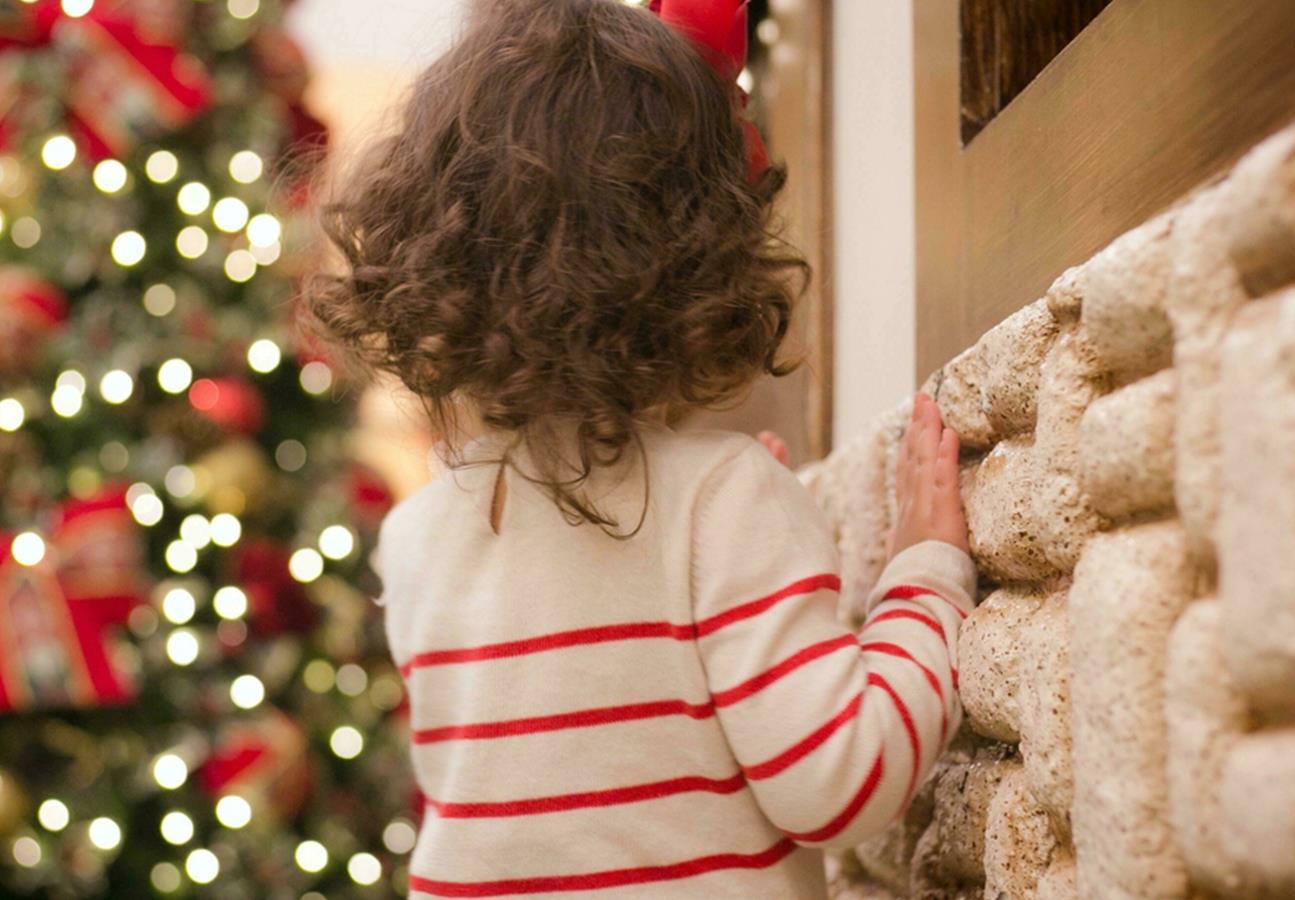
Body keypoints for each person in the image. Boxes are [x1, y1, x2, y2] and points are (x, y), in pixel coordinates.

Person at [304, 0, 973, 895]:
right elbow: (842, 784)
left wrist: (734, 537)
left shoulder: (416, 535)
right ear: (701, 252)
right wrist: (922, 576)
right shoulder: (722, 498)